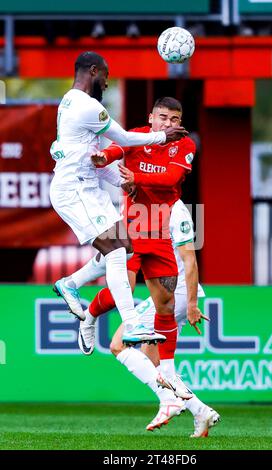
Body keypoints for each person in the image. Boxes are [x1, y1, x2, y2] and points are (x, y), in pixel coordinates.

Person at [68, 97, 220, 435]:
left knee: (145, 319)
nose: (168, 124)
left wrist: (133, 178)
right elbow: (116, 150)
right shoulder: (137, 136)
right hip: (135, 232)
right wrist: (102, 158)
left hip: (165, 255)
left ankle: (177, 396)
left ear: (181, 122)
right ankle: (195, 409)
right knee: (122, 290)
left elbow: (168, 181)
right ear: (150, 118)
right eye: (162, 118)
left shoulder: (184, 151)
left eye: (174, 119)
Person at [50, 52, 187, 349]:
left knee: (124, 248)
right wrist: (163, 138)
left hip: (88, 188)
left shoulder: (71, 102)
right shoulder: (86, 105)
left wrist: (122, 180)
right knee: (115, 251)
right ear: (94, 71)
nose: (108, 84)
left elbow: (96, 156)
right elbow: (123, 139)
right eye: (106, 77)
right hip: (75, 191)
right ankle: (132, 323)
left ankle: (71, 284)